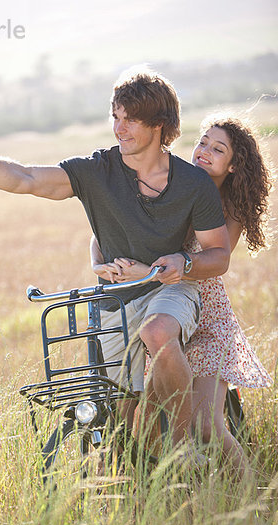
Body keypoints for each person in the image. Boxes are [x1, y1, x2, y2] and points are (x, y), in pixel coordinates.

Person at [0, 68, 231, 454]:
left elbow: (218, 256)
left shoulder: (193, 183)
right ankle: (142, 474)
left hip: (172, 289)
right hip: (114, 299)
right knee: (122, 416)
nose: (119, 127)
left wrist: (182, 263)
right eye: (115, 116)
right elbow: (25, 178)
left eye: (131, 119)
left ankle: (183, 450)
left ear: (159, 124)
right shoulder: (96, 171)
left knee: (158, 332)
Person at [91, 116, 273, 473]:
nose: (204, 152)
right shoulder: (169, 184)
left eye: (217, 149)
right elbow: (103, 233)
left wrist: (147, 273)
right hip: (159, 312)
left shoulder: (229, 208)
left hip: (204, 318)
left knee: (206, 426)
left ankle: (254, 506)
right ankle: (168, 493)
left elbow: (213, 261)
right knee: (146, 423)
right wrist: (99, 264)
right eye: (203, 142)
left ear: (233, 165)